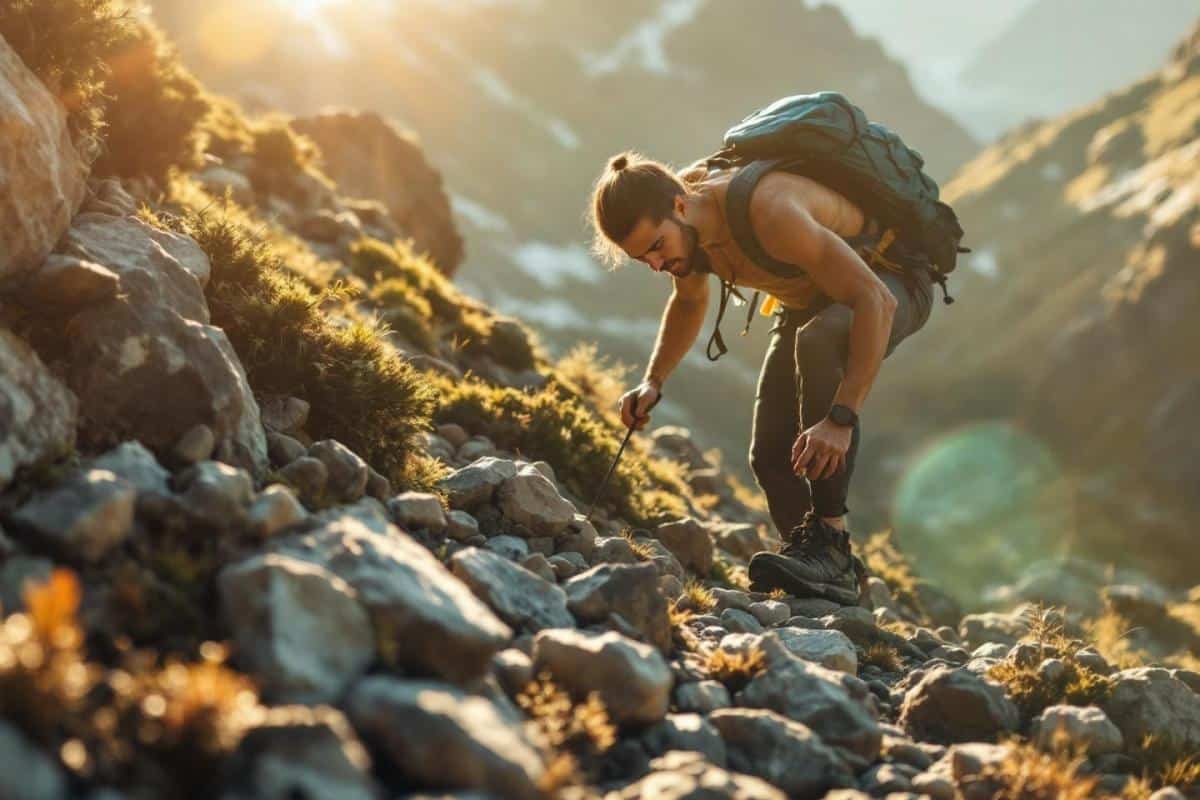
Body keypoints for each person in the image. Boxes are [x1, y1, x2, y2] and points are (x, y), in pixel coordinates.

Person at [588, 151, 936, 605]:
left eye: (656, 247)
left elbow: (875, 301)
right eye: (643, 259)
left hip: (891, 279)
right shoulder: (686, 231)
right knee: (771, 456)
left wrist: (840, 419)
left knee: (817, 341)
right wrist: (653, 381)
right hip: (810, 297)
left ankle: (830, 546)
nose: (656, 264)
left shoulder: (770, 213)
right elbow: (690, 302)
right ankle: (825, 580)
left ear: (679, 206)